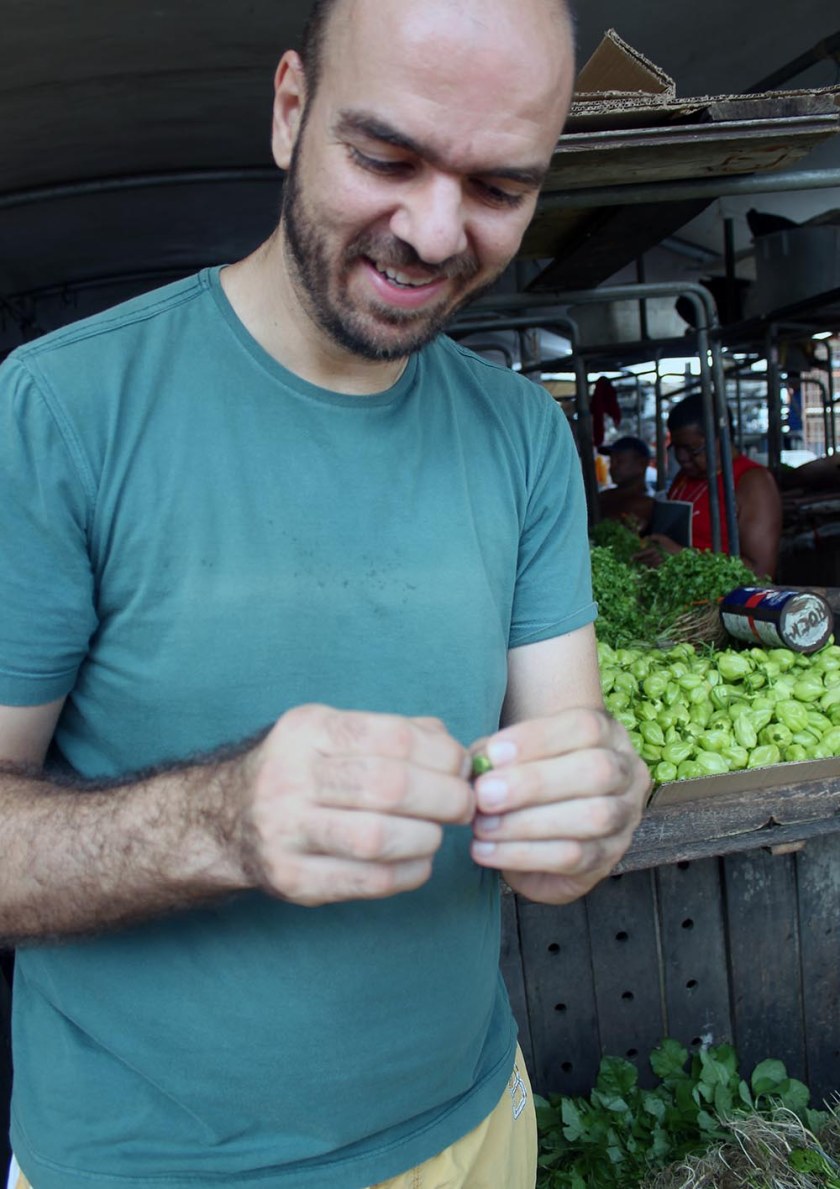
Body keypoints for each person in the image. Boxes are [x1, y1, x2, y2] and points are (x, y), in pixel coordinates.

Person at [0, 1, 650, 1186]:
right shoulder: (59, 412)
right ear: (291, 110)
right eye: (386, 156)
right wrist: (222, 819)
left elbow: (565, 763)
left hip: (474, 1129)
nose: (435, 231)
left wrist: (597, 804)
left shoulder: (520, 436)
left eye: (500, 187)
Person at [638, 393, 783, 578]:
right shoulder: (683, 478)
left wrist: (682, 556)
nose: (682, 458)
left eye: (692, 449)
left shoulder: (753, 482)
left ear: (721, 439)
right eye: (677, 448)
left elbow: (760, 572)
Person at [597, 436, 655, 533]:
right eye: (611, 461)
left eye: (619, 461)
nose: (612, 467)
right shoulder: (602, 496)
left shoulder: (649, 503)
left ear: (642, 464)